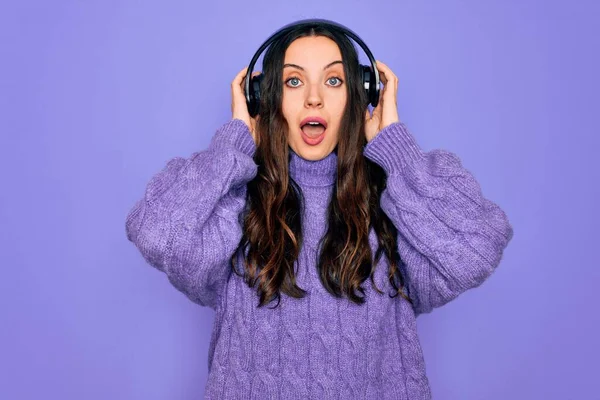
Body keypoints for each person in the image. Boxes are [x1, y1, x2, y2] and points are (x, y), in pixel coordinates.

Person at [125, 19, 514, 400]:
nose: (314, 98)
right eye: (293, 81)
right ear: (264, 97)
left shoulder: (397, 203)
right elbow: (156, 233)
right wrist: (234, 142)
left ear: (361, 97)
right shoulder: (233, 203)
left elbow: (475, 252)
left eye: (334, 81)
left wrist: (398, 152)